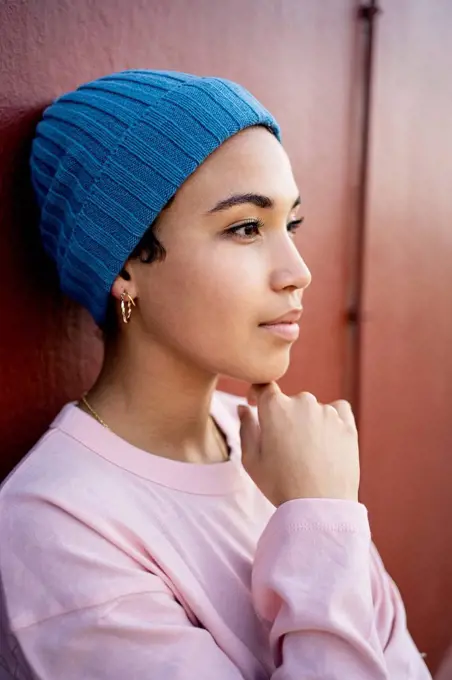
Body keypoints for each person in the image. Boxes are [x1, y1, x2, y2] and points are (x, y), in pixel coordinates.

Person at [0, 69, 431, 679]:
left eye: (291, 224)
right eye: (246, 227)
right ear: (125, 264)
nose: (298, 271)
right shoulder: (57, 523)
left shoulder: (277, 448)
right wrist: (318, 515)